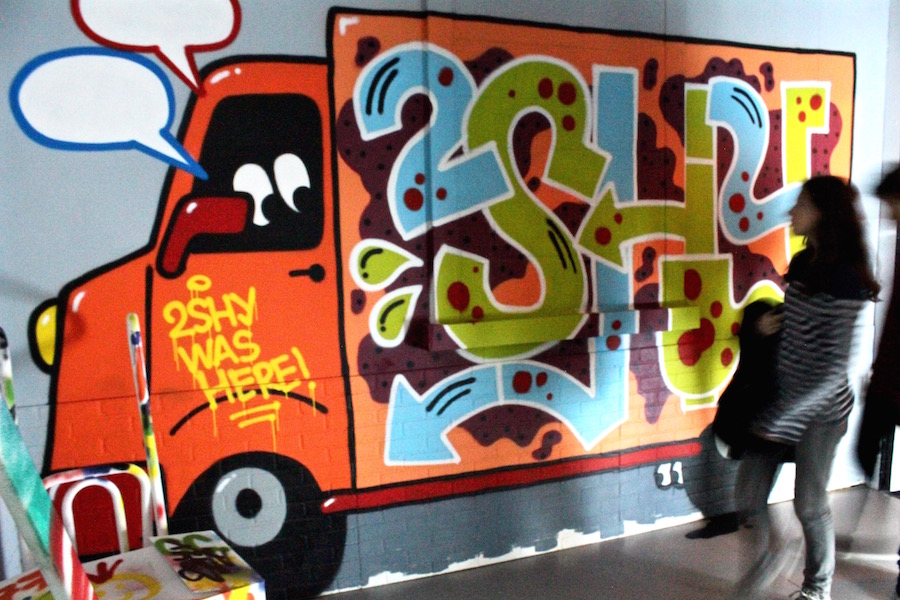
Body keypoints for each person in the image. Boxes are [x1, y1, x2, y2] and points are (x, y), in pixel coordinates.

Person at [734, 175, 880, 600]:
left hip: (821, 411)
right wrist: (771, 322)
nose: (791, 212)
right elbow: (805, 322)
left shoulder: (846, 278)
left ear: (822, 213)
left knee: (810, 505)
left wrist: (784, 416)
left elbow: (833, 368)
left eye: (801, 203)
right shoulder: (803, 263)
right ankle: (773, 555)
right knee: (748, 493)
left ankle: (817, 589)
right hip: (781, 399)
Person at [856, 164, 900, 599]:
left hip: (894, 382)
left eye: (893, 204)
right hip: (891, 380)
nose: (889, 214)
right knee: (865, 451)